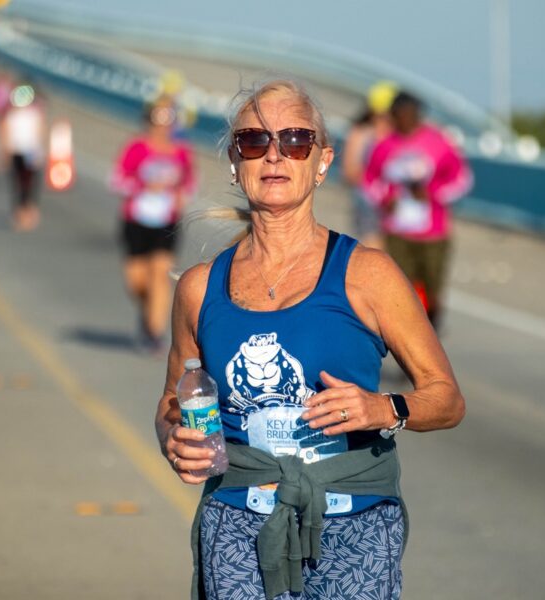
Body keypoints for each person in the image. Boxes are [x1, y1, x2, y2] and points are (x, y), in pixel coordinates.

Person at [154, 80, 465, 600]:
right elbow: (172, 401)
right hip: (235, 525)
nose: (275, 154)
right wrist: (173, 440)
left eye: (295, 141)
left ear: (322, 162)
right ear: (235, 160)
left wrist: (383, 408)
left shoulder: (368, 274)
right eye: (255, 141)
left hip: (353, 527)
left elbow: (447, 399)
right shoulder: (199, 288)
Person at [363, 92, 473, 329]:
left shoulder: (439, 143)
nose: (403, 120)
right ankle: (413, 338)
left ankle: (431, 327)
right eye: (398, 115)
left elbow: (462, 178)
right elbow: (369, 180)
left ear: (417, 115)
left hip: (433, 233)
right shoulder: (383, 146)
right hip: (397, 232)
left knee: (432, 291)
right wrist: (384, 199)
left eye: (408, 115)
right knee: (404, 292)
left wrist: (433, 194)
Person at [110, 95, 195, 353]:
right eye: (157, 118)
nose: (162, 125)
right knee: (136, 280)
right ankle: (148, 315)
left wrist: (180, 197)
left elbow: (190, 184)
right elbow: (116, 180)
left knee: (160, 274)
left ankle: (155, 333)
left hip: (166, 223)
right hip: (136, 220)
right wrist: (143, 186)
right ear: (148, 120)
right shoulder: (136, 148)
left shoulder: (182, 153)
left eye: (168, 118)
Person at [340, 82, 397, 250]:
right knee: (375, 250)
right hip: (370, 202)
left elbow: (349, 172)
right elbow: (350, 172)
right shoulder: (363, 133)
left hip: (386, 203)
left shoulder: (361, 132)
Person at [0, 83, 45, 231]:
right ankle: (19, 213)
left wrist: (40, 153)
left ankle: (29, 212)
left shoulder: (35, 114)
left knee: (29, 184)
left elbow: (40, 133)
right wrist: (3, 154)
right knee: (17, 183)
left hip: (30, 152)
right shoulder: (11, 115)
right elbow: (5, 134)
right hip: (16, 151)